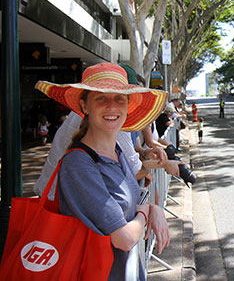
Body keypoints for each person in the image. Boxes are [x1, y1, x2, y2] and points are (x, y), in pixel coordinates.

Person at [34, 62, 170, 280]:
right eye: (101, 98)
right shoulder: (78, 163)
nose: (111, 106)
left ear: (128, 106)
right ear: (84, 106)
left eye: (119, 98)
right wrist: (146, 212)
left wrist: (154, 209)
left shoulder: (116, 151)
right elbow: (124, 238)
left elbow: (123, 208)